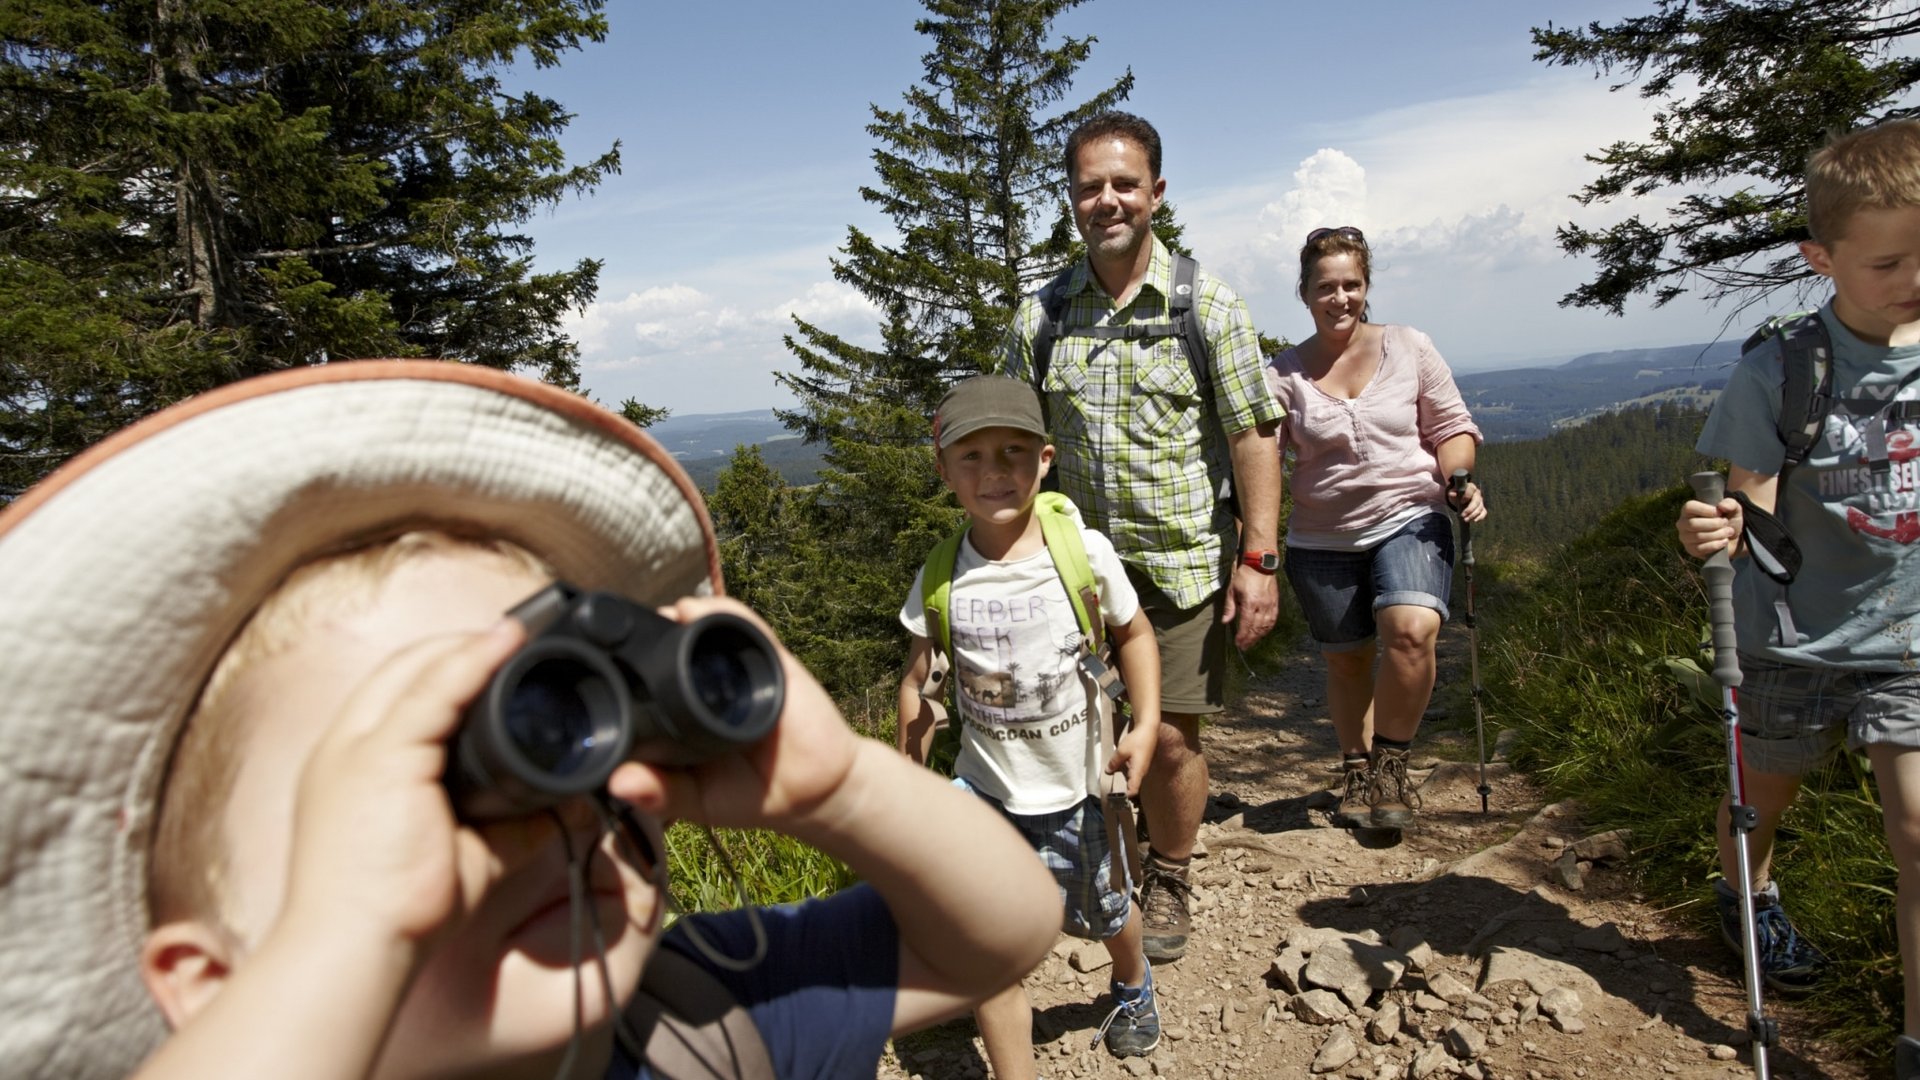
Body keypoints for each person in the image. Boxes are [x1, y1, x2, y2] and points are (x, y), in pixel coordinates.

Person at [0, 361, 1063, 1080]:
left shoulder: (695, 1013)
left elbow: (1005, 933)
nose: (547, 806)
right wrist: (353, 938)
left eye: (560, 711)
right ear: (214, 984)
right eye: (415, 784)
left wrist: (840, 786)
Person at [998, 111, 1284, 963]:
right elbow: (1012, 441)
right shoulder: (1042, 316)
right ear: (1072, 201)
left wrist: (1260, 558)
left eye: (1125, 184)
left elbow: (1254, 433)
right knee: (1079, 731)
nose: (1108, 200)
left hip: (1182, 564)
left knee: (1167, 739)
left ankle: (1170, 871)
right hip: (1077, 576)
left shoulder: (1207, 305)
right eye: (1091, 187)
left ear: (1157, 192)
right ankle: (1096, 866)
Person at [1676, 118, 1920, 1080]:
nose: (1912, 280)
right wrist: (1724, 529)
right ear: (1820, 257)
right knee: (1758, 808)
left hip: (1908, 643)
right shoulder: (1782, 368)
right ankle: (1754, 902)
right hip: (1790, 640)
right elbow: (1749, 498)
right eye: (1889, 261)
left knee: (1918, 832)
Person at [896, 376, 1164, 1072]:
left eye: (1013, 452)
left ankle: (1133, 984)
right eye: (973, 456)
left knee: (1107, 911)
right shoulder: (940, 575)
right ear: (944, 468)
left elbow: (1133, 635)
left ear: (1045, 459)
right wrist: (910, 777)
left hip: (1078, 789)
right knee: (991, 949)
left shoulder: (1082, 553)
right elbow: (920, 681)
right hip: (984, 790)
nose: (995, 472)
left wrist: (1146, 724)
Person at [1263, 226, 1485, 830]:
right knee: (1348, 661)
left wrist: (1459, 476)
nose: (1341, 298)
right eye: (1326, 286)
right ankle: (1356, 770)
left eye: (1352, 285)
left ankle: (1392, 764)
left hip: (1410, 513)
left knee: (1410, 631)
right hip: (1322, 537)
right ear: (1305, 292)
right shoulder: (1282, 376)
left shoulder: (1409, 346)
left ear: (1367, 287)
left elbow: (1451, 427)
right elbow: (1262, 462)